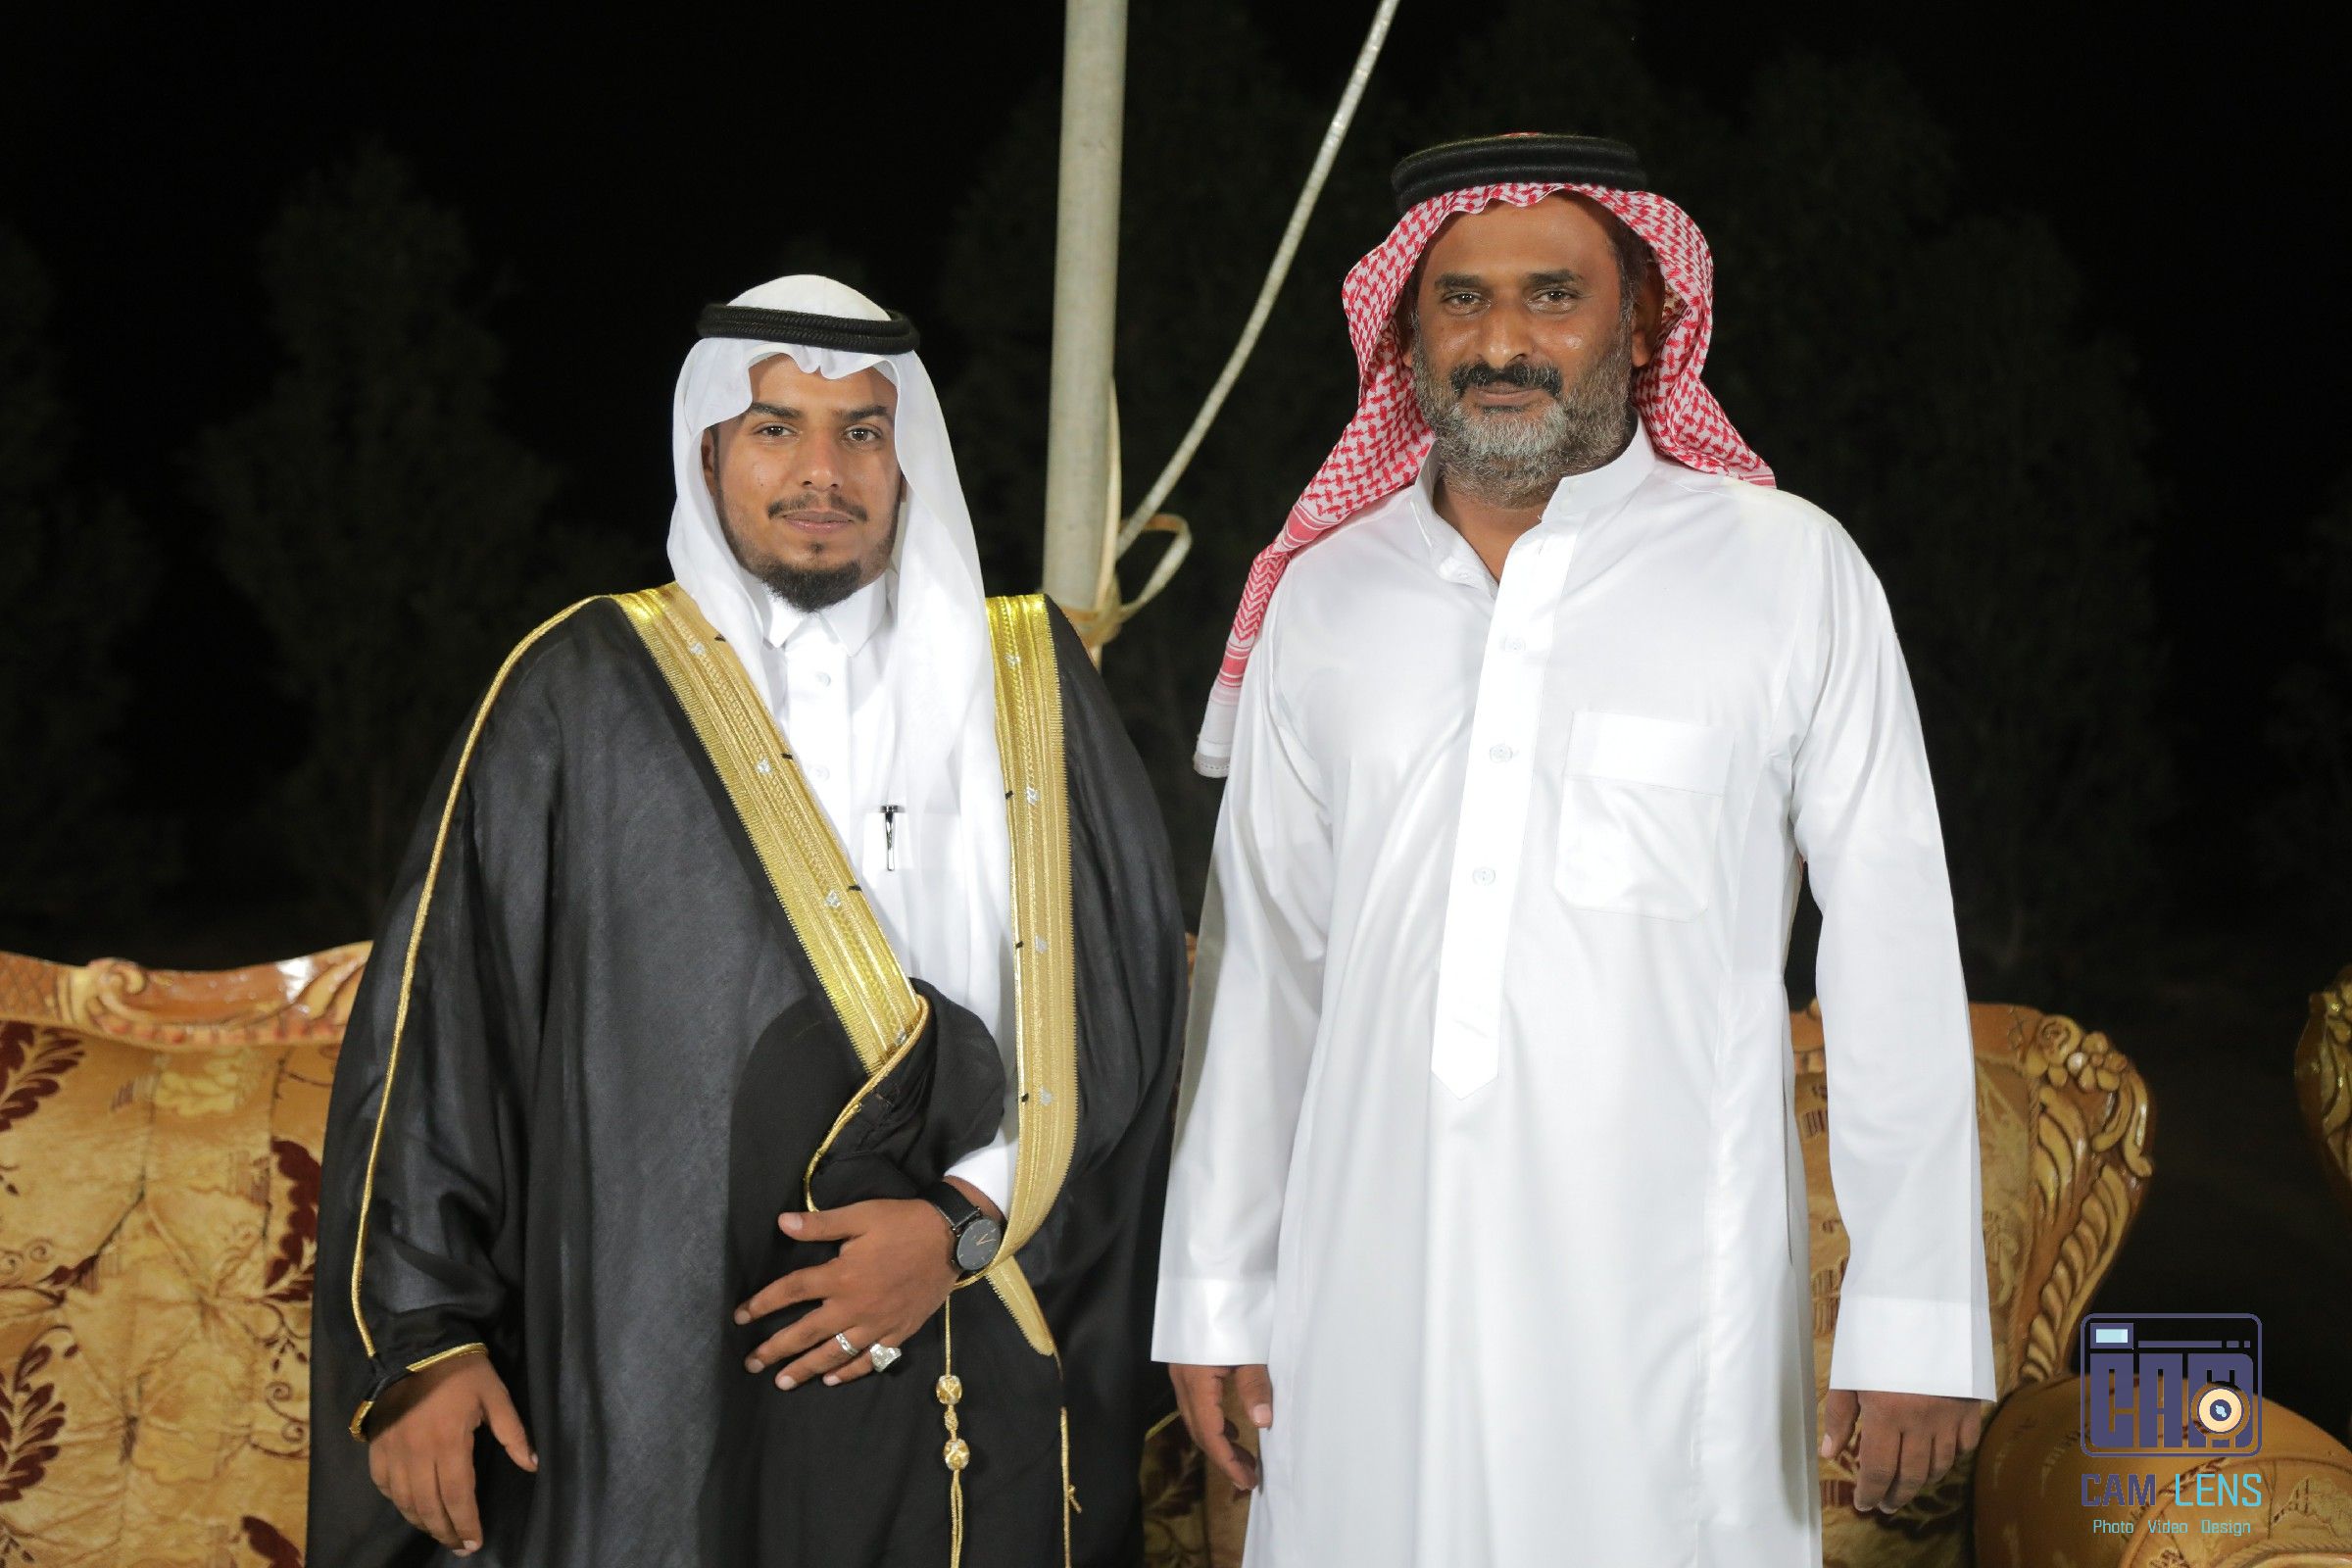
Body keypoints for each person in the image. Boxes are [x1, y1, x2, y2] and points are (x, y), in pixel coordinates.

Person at [1154, 134, 1994, 1566]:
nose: (1503, 343)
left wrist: (1916, 1314)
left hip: (1663, 1315)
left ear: (1646, 321)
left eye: (1554, 296)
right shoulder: (1326, 599)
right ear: (1407, 333)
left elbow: (1893, 958)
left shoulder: (1790, 573)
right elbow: (1265, 972)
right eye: (1461, 300)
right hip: (1366, 1306)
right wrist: (1218, 1294)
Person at [308, 275, 1186, 1567]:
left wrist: (959, 1227)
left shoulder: (1026, 679)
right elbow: (444, 1029)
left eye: (862, 432)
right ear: (709, 450)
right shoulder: (580, 692)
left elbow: (1119, 1008)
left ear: (906, 457)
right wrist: (424, 1338)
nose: (822, 471)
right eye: (777, 428)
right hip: (656, 1344)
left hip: (965, 1321)